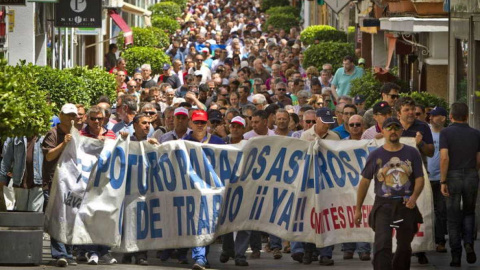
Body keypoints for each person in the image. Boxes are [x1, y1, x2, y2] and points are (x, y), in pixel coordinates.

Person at [355, 117, 425, 270]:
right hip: (383, 205)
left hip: (405, 205)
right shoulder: (375, 155)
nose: (393, 131)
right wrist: (357, 209)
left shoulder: (412, 152)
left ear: (401, 130)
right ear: (383, 131)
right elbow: (365, 182)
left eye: (396, 128)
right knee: (382, 244)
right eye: (389, 128)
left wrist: (414, 198)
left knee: (404, 247)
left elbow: (419, 179)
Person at [440, 102, 480, 267]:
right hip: (471, 174)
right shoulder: (476, 134)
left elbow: (444, 157)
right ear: (467, 116)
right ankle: (469, 242)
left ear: (451, 116)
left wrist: (443, 180)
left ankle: (456, 256)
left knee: (453, 217)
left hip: (453, 175)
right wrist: (472, 171)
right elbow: (479, 159)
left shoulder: (446, 133)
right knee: (469, 212)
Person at [183, 110, 224, 270]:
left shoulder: (218, 142)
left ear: (207, 124)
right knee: (199, 223)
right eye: (197, 122)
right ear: (191, 124)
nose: (200, 125)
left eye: (203, 122)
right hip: (193, 191)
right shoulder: (184, 142)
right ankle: (199, 257)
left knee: (208, 224)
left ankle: (202, 257)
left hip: (213, 191)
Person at [298, 107, 338, 266]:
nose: (327, 126)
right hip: (310, 182)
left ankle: (326, 254)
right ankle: (308, 251)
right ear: (317, 120)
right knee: (310, 217)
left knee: (329, 217)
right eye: (324, 122)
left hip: (328, 182)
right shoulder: (305, 136)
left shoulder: (335, 137)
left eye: (329, 123)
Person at [42, 103, 79, 267]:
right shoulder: (52, 133)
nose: (71, 118)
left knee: (70, 217)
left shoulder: (78, 134)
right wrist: (63, 144)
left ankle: (69, 253)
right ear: (60, 115)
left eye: (73, 115)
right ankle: (59, 254)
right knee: (57, 218)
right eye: (68, 115)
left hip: (72, 185)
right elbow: (49, 156)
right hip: (54, 183)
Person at [121, 113, 160, 266]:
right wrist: (121, 140)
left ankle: (141, 254)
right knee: (128, 221)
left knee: (142, 222)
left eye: (149, 123)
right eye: (144, 123)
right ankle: (127, 252)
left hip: (145, 190)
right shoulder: (126, 141)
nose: (147, 126)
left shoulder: (151, 142)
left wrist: (155, 147)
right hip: (128, 189)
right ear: (135, 125)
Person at [0, 134, 44, 212]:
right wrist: (2, 179)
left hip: (38, 182)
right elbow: (6, 159)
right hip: (20, 182)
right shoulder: (15, 136)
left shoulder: (42, 137)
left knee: (35, 215)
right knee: (20, 214)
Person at [426, 106, 448, 254]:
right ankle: (425, 242)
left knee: (441, 211)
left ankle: (440, 241)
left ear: (443, 118)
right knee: (425, 211)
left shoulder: (448, 135)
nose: (431, 118)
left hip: (441, 179)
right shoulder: (425, 133)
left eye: (435, 116)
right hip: (426, 178)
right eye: (431, 116)